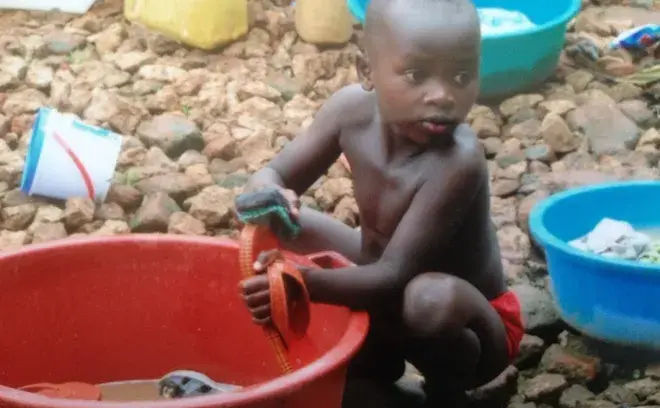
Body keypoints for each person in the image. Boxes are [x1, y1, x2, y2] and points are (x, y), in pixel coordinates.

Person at [236, 0, 524, 405]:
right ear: (366, 71)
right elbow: (275, 175)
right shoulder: (349, 112)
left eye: (461, 75)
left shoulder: (459, 160)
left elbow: (394, 274)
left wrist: (302, 286)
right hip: (383, 282)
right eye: (415, 74)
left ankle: (444, 392)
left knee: (427, 301)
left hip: (472, 324)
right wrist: (269, 197)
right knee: (286, 226)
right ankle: (375, 359)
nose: (442, 95)